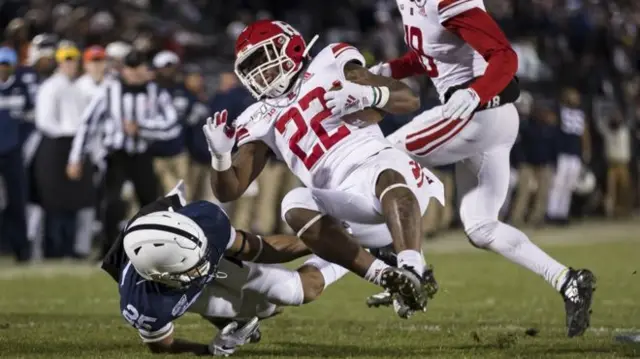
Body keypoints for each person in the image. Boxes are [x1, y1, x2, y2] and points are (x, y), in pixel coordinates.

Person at [368, 0, 595, 336]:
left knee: (381, 158)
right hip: (491, 118)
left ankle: (413, 271)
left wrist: (474, 95)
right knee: (481, 226)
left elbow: (505, 56)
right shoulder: (410, 4)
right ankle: (567, 281)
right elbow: (432, 53)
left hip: (476, 111)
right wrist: (391, 70)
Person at [205, 20, 445, 316]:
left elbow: (408, 99)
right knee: (293, 203)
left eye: (263, 58)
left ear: (290, 46)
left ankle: (412, 267)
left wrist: (369, 95)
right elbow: (229, 190)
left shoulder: (330, 62)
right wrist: (220, 156)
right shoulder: (257, 117)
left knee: (384, 169)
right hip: (345, 211)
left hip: (386, 175)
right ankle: (387, 275)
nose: (260, 71)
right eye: (251, 66)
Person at [102, 181, 348, 356]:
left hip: (183, 239)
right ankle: (231, 319)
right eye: (191, 267)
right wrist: (207, 351)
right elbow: (162, 345)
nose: (202, 266)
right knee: (259, 309)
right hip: (168, 276)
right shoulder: (144, 303)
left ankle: (357, 244)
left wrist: (326, 241)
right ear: (159, 276)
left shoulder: (205, 224)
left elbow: (259, 248)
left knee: (289, 293)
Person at [68, 50, 178, 260]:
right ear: (124, 69)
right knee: (112, 203)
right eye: (131, 67)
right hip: (116, 154)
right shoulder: (108, 90)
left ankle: (150, 251)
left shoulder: (157, 92)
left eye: (139, 67)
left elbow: (172, 126)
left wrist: (143, 128)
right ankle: (108, 251)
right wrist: (76, 157)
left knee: (149, 204)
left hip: (142, 153)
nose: (135, 72)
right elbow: (87, 124)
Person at [34, 44, 95, 259]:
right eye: (66, 60)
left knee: (75, 199)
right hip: (56, 144)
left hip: (74, 143)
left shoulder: (77, 87)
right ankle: (54, 249)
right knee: (54, 200)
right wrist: (69, 135)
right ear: (60, 63)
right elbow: (44, 121)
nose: (70, 64)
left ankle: (69, 248)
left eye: (73, 60)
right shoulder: (51, 86)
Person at [0, 46, 32, 263]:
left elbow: (30, 122)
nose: (3, 70)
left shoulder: (22, 89)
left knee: (17, 200)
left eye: (6, 65)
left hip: (13, 152)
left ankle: (21, 249)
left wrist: (22, 146)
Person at [547, 88, 591, 224]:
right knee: (558, 183)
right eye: (572, 96)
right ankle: (551, 212)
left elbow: (584, 134)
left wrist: (586, 150)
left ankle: (562, 213)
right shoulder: (560, 111)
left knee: (570, 185)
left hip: (575, 153)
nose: (575, 99)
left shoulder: (580, 114)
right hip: (563, 152)